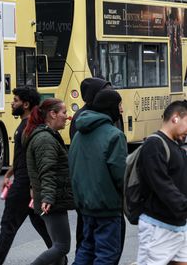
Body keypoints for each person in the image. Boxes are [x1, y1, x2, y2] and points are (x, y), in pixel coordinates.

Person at [0, 87, 55, 265]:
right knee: (40, 224)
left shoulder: (29, 126)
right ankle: (59, 256)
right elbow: (22, 156)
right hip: (25, 182)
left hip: (24, 184)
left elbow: (33, 158)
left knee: (9, 224)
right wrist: (9, 173)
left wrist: (30, 185)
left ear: (26, 104)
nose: (12, 103)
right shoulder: (27, 125)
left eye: (15, 100)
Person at [69, 89, 127, 264]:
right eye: (119, 105)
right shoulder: (114, 135)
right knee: (107, 254)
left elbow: (73, 168)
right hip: (107, 205)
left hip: (85, 204)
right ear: (110, 107)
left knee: (87, 248)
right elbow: (121, 175)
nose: (121, 110)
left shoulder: (79, 134)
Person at [23, 98, 74, 265]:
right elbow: (47, 171)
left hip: (51, 199)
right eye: (64, 112)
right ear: (52, 114)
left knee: (58, 250)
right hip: (53, 201)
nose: (67, 116)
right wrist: (48, 198)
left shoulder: (47, 135)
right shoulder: (45, 139)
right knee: (61, 246)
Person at [136, 100, 187, 265]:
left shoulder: (176, 146)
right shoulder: (154, 144)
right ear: (175, 118)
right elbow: (162, 185)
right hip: (158, 228)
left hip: (179, 225)